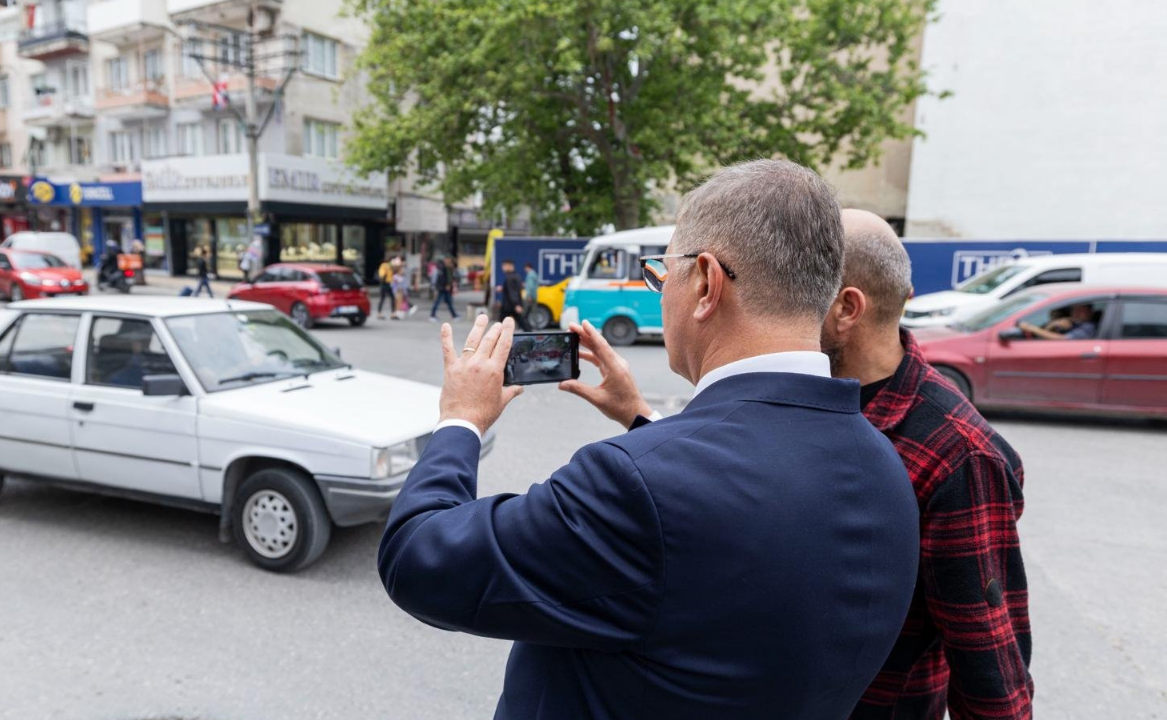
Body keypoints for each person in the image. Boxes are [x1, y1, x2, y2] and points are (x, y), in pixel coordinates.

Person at [378, 160, 920, 719]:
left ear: (706, 283)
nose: (660, 294)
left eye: (661, 274)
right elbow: (743, 527)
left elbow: (418, 559)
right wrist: (641, 418)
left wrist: (460, 420)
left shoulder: (633, 485)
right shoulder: (885, 465)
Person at [819, 210, 1033, 720]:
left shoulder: (957, 454)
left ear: (847, 308)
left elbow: (987, 660)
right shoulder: (814, 396)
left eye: (801, 289)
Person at [1019, 303, 1097, 340]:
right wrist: (1053, 324)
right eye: (1075, 310)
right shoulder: (1072, 323)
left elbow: (1062, 339)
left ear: (1090, 312)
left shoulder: (1089, 327)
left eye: (1081, 310)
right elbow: (1044, 337)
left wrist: (1033, 328)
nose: (1076, 313)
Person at [430, 257, 459, 322]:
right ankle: (432, 315)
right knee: (438, 302)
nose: (448, 261)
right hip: (442, 288)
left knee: (449, 302)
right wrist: (446, 285)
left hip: (447, 288)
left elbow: (451, 278)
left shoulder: (449, 268)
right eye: (447, 260)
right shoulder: (442, 268)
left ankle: (454, 315)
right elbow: (441, 279)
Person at [495, 259, 524, 326]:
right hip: (512, 305)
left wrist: (516, 305)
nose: (503, 268)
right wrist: (503, 288)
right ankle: (530, 334)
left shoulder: (510, 277)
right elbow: (514, 289)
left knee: (500, 324)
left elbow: (513, 292)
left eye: (504, 266)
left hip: (509, 306)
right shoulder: (517, 276)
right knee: (522, 323)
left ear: (509, 266)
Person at [522, 261, 539, 330]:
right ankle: (536, 325)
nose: (525, 270)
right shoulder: (534, 274)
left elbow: (530, 286)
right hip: (534, 295)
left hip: (530, 296)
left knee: (525, 311)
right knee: (534, 311)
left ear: (528, 267)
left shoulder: (530, 275)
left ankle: (524, 324)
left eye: (525, 268)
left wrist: (529, 295)